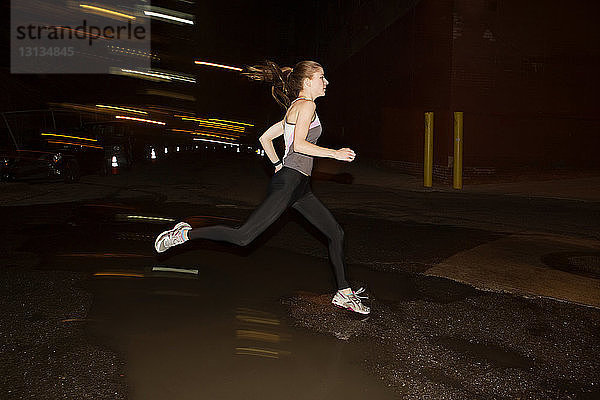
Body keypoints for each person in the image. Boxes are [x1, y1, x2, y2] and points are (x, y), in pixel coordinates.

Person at [154, 60, 369, 315]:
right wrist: (335, 154)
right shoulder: (307, 105)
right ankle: (183, 235)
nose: (326, 82)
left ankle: (343, 293)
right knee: (243, 237)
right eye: (322, 77)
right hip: (290, 184)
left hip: (299, 186)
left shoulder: (296, 107)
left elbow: (265, 138)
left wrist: (278, 163)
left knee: (335, 232)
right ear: (308, 81)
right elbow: (299, 145)